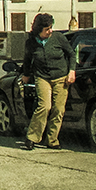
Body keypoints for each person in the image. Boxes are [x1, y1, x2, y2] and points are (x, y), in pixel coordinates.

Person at [20, 13, 75, 150]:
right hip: (42, 77)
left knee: (58, 109)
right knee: (44, 106)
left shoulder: (58, 38)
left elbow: (71, 54)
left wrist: (72, 71)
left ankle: (52, 140)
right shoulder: (31, 43)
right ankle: (32, 137)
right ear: (39, 30)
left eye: (51, 28)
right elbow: (27, 60)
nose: (50, 31)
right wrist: (26, 75)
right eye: (46, 29)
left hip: (60, 77)